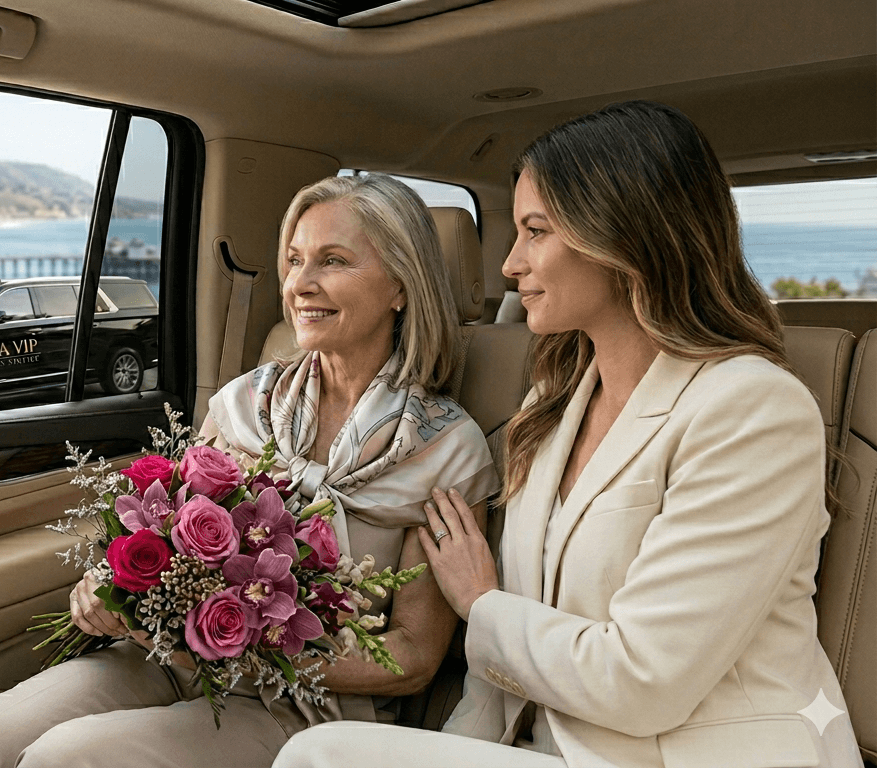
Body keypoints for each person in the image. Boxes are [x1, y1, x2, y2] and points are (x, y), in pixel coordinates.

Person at [273, 101, 864, 767]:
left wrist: (481, 603)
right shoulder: (553, 407)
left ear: (622, 236)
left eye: (535, 231)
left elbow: (642, 681)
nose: (509, 265)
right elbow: (499, 685)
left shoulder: (753, 409)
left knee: (320, 755)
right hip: (551, 752)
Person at [0, 174, 499, 768]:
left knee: (65, 758)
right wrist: (110, 591)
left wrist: (240, 653)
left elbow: (413, 657)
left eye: (333, 262)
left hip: (302, 703)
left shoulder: (445, 449)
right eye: (295, 260)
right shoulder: (243, 404)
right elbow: (162, 530)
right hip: (165, 662)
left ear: (401, 286)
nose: (300, 284)